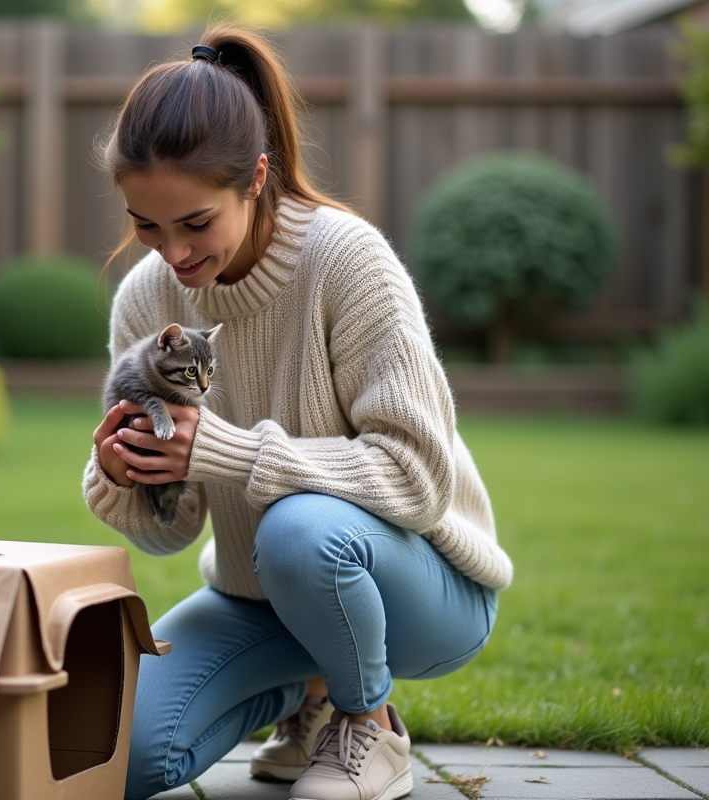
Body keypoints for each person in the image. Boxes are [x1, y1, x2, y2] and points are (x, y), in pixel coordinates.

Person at [82, 24, 514, 800]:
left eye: (195, 223)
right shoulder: (146, 299)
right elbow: (171, 532)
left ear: (254, 178)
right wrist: (131, 476)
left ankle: (369, 727)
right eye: (146, 223)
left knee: (298, 529)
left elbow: (418, 480)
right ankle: (308, 694)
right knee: (116, 761)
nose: (172, 254)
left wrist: (220, 451)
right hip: (262, 595)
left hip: (425, 590)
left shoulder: (348, 262)